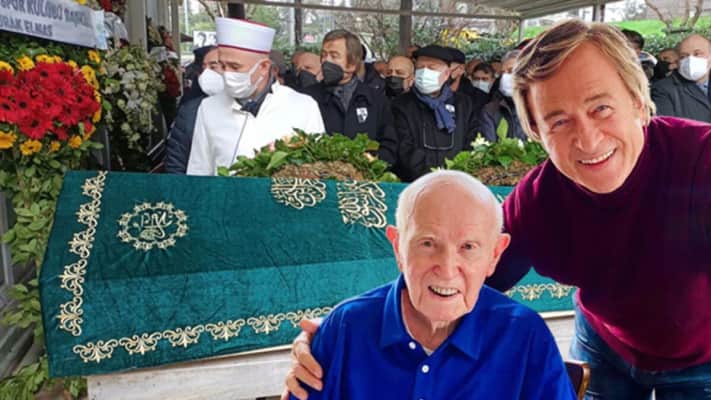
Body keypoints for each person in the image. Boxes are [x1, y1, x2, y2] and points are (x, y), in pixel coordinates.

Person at [284, 19, 711, 400]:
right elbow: (453, 278)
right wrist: (337, 337)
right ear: (536, 132)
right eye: (558, 121)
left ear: (637, 99)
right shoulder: (539, 202)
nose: (587, 138)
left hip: (701, 353)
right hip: (606, 342)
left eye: (601, 108)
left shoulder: (702, 163)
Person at [288, 170, 576, 400]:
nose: (447, 269)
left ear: (495, 255)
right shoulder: (345, 329)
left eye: (468, 247)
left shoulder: (525, 336)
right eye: (428, 244)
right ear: (398, 247)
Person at [186, 18, 324, 176]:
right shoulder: (209, 107)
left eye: (235, 67)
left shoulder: (303, 106)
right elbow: (199, 171)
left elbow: (318, 172)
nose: (227, 73)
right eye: (223, 66)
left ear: (264, 67)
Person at [301, 29, 397, 166]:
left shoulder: (376, 99)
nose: (326, 61)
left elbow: (389, 145)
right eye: (324, 55)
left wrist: (369, 164)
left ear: (352, 64)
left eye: (334, 56)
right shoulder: (307, 98)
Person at [389, 45, 482, 182]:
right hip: (416, 183)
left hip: (457, 182)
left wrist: (458, 172)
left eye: (432, 68)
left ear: (446, 74)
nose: (425, 72)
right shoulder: (401, 105)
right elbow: (404, 148)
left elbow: (472, 141)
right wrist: (431, 177)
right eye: (420, 68)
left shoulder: (464, 104)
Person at [165, 47, 223, 174]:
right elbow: (176, 161)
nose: (206, 74)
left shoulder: (249, 109)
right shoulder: (190, 111)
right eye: (203, 68)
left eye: (213, 67)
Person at [652, 34, 711, 122]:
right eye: (683, 56)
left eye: (697, 54)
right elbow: (667, 126)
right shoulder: (663, 89)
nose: (690, 60)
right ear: (678, 61)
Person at [479, 50, 528, 142]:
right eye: (503, 73)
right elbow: (491, 146)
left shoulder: (541, 108)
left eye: (511, 71)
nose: (505, 77)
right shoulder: (491, 110)